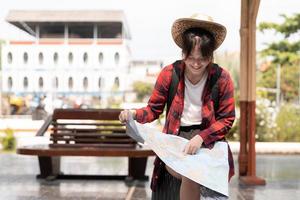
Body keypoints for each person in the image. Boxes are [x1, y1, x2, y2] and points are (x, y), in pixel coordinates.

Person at [119, 13, 235, 200]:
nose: (196, 64)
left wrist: (201, 138)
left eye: (203, 59)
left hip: (209, 141)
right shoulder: (169, 73)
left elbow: (227, 119)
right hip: (175, 139)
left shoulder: (221, 78)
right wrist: (132, 114)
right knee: (191, 172)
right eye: (191, 58)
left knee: (194, 173)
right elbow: (153, 109)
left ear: (211, 56)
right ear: (183, 53)